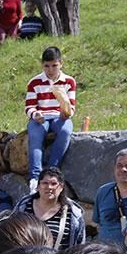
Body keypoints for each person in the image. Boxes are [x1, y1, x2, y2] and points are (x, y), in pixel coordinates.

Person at [24, 47, 76, 193]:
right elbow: (29, 107)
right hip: (41, 116)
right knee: (35, 136)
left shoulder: (68, 81)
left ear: (60, 64)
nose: (50, 69)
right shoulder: (35, 82)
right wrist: (35, 115)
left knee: (65, 132)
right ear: (42, 65)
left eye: (54, 65)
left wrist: (67, 113)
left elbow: (71, 105)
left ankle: (52, 169)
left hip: (59, 115)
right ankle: (35, 177)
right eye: (47, 66)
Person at [12, 166, 85, 248]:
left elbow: (79, 245)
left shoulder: (73, 214)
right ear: (38, 186)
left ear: (61, 187)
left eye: (54, 184)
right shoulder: (23, 206)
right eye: (45, 183)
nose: (49, 187)